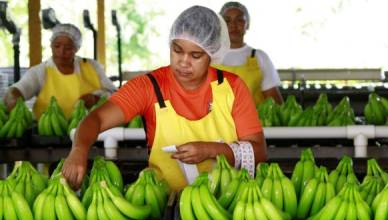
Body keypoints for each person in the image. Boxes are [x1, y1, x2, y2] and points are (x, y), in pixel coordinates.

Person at [62, 5, 267, 192]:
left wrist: (211, 150)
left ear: (212, 54)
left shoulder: (232, 87)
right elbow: (95, 119)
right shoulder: (148, 87)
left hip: (228, 203)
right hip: (165, 203)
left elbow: (259, 152)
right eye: (177, 50)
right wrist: (79, 149)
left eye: (195, 55)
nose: (183, 62)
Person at [3, 23, 116, 120]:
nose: (61, 52)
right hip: (48, 136)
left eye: (67, 48)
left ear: (76, 49)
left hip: (89, 129)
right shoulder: (40, 72)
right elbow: (19, 89)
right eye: (57, 46)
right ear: (51, 46)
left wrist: (95, 98)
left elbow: (114, 93)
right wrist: (13, 98)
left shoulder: (92, 66)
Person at [214, 1, 284, 105]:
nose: (233, 25)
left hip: (255, 120)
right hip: (219, 121)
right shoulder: (210, 56)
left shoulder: (259, 57)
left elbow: (275, 102)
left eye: (239, 20)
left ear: (247, 24)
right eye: (227, 20)